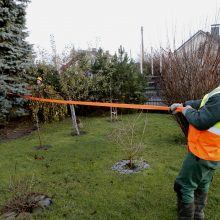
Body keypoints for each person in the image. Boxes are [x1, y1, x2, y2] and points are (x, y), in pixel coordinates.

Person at [170, 85, 220, 220]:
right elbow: (204, 103)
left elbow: (200, 120)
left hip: (202, 153)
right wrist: (184, 104)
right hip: (213, 153)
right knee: (202, 184)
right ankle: (198, 215)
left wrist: (186, 110)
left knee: (183, 186)